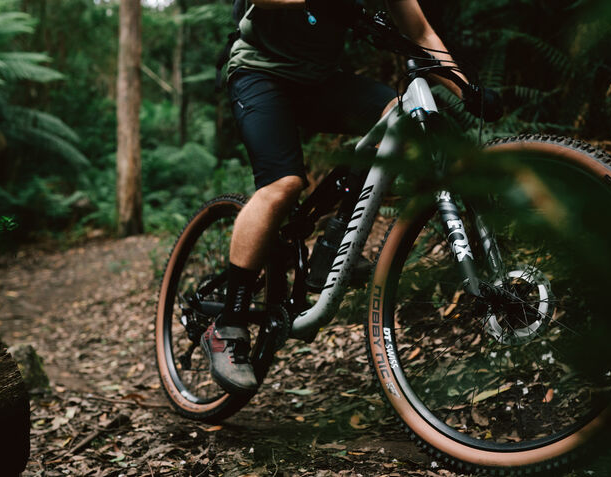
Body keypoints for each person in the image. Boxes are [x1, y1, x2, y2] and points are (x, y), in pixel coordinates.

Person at [201, 0, 480, 395]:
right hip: (260, 73)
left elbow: (421, 34)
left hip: (321, 80)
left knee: (395, 116)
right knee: (284, 185)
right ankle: (227, 326)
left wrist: (468, 90)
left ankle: (332, 246)